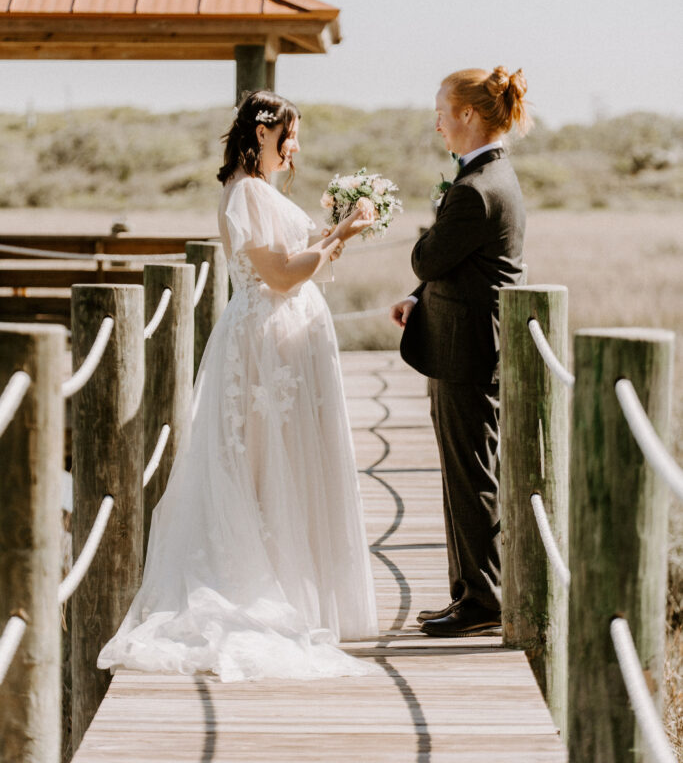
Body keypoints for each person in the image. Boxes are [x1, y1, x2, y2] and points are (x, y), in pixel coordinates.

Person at [98, 90, 378, 681]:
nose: (296, 147)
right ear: (262, 135)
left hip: (277, 336)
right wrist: (344, 235)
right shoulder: (249, 191)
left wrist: (333, 232)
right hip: (263, 340)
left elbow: (291, 257)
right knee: (260, 459)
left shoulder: (258, 191)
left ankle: (288, 582)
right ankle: (262, 581)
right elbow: (279, 276)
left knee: (280, 460)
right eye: (290, 135)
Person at [390, 66, 530, 637]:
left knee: (471, 473)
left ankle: (483, 601)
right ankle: (469, 592)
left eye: (443, 111)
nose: (439, 123)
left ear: (468, 114)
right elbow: (453, 267)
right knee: (464, 470)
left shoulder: (474, 191)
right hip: (464, 344)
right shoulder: (488, 178)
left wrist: (423, 258)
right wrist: (418, 297)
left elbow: (427, 257)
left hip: (468, 351)